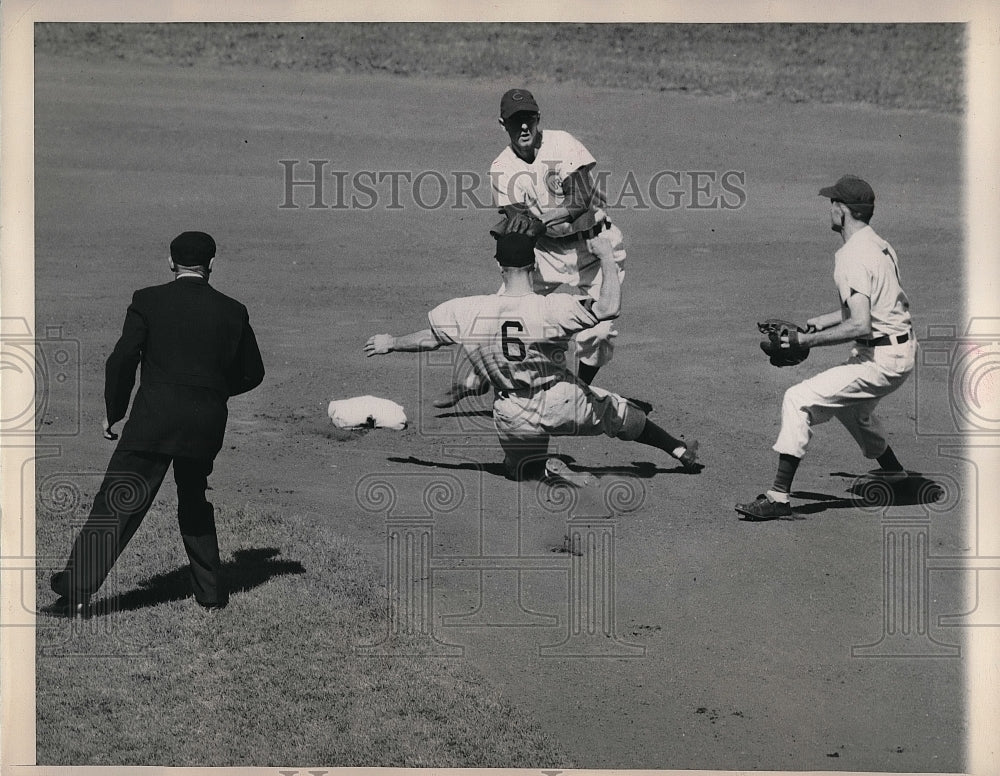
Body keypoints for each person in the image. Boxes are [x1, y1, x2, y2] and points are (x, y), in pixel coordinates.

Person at [365, 232, 699, 480]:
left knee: (518, 471)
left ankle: (543, 470)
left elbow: (430, 338)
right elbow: (609, 307)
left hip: (513, 413)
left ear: (499, 265)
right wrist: (607, 259)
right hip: (561, 400)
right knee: (623, 414)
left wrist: (391, 342)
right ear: (534, 264)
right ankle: (679, 449)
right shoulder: (553, 307)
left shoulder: (467, 309)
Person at [49, 231, 265, 614]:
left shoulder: (147, 300)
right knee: (194, 500)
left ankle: (75, 591)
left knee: (119, 499)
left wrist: (114, 411)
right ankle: (211, 595)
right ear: (212, 265)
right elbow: (253, 373)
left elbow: (122, 360)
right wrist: (212, 392)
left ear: (171, 262)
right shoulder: (233, 310)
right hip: (205, 424)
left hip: (154, 420)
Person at [735, 175, 915, 521]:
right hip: (898, 349)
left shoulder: (852, 256)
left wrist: (806, 340)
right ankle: (895, 474)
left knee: (797, 399)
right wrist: (825, 320)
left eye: (833, 203)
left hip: (881, 358)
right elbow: (877, 306)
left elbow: (861, 324)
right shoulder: (879, 244)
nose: (829, 209)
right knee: (851, 408)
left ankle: (778, 497)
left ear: (842, 210)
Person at [434, 87, 627, 408]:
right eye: (515, 120)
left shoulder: (562, 143)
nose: (523, 126)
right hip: (546, 253)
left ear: (538, 118)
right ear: (503, 124)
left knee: (598, 333)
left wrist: (538, 221)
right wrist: (520, 231)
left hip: (593, 247)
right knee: (499, 314)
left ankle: (580, 391)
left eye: (529, 119)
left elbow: (580, 199)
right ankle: (477, 379)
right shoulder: (501, 167)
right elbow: (519, 220)